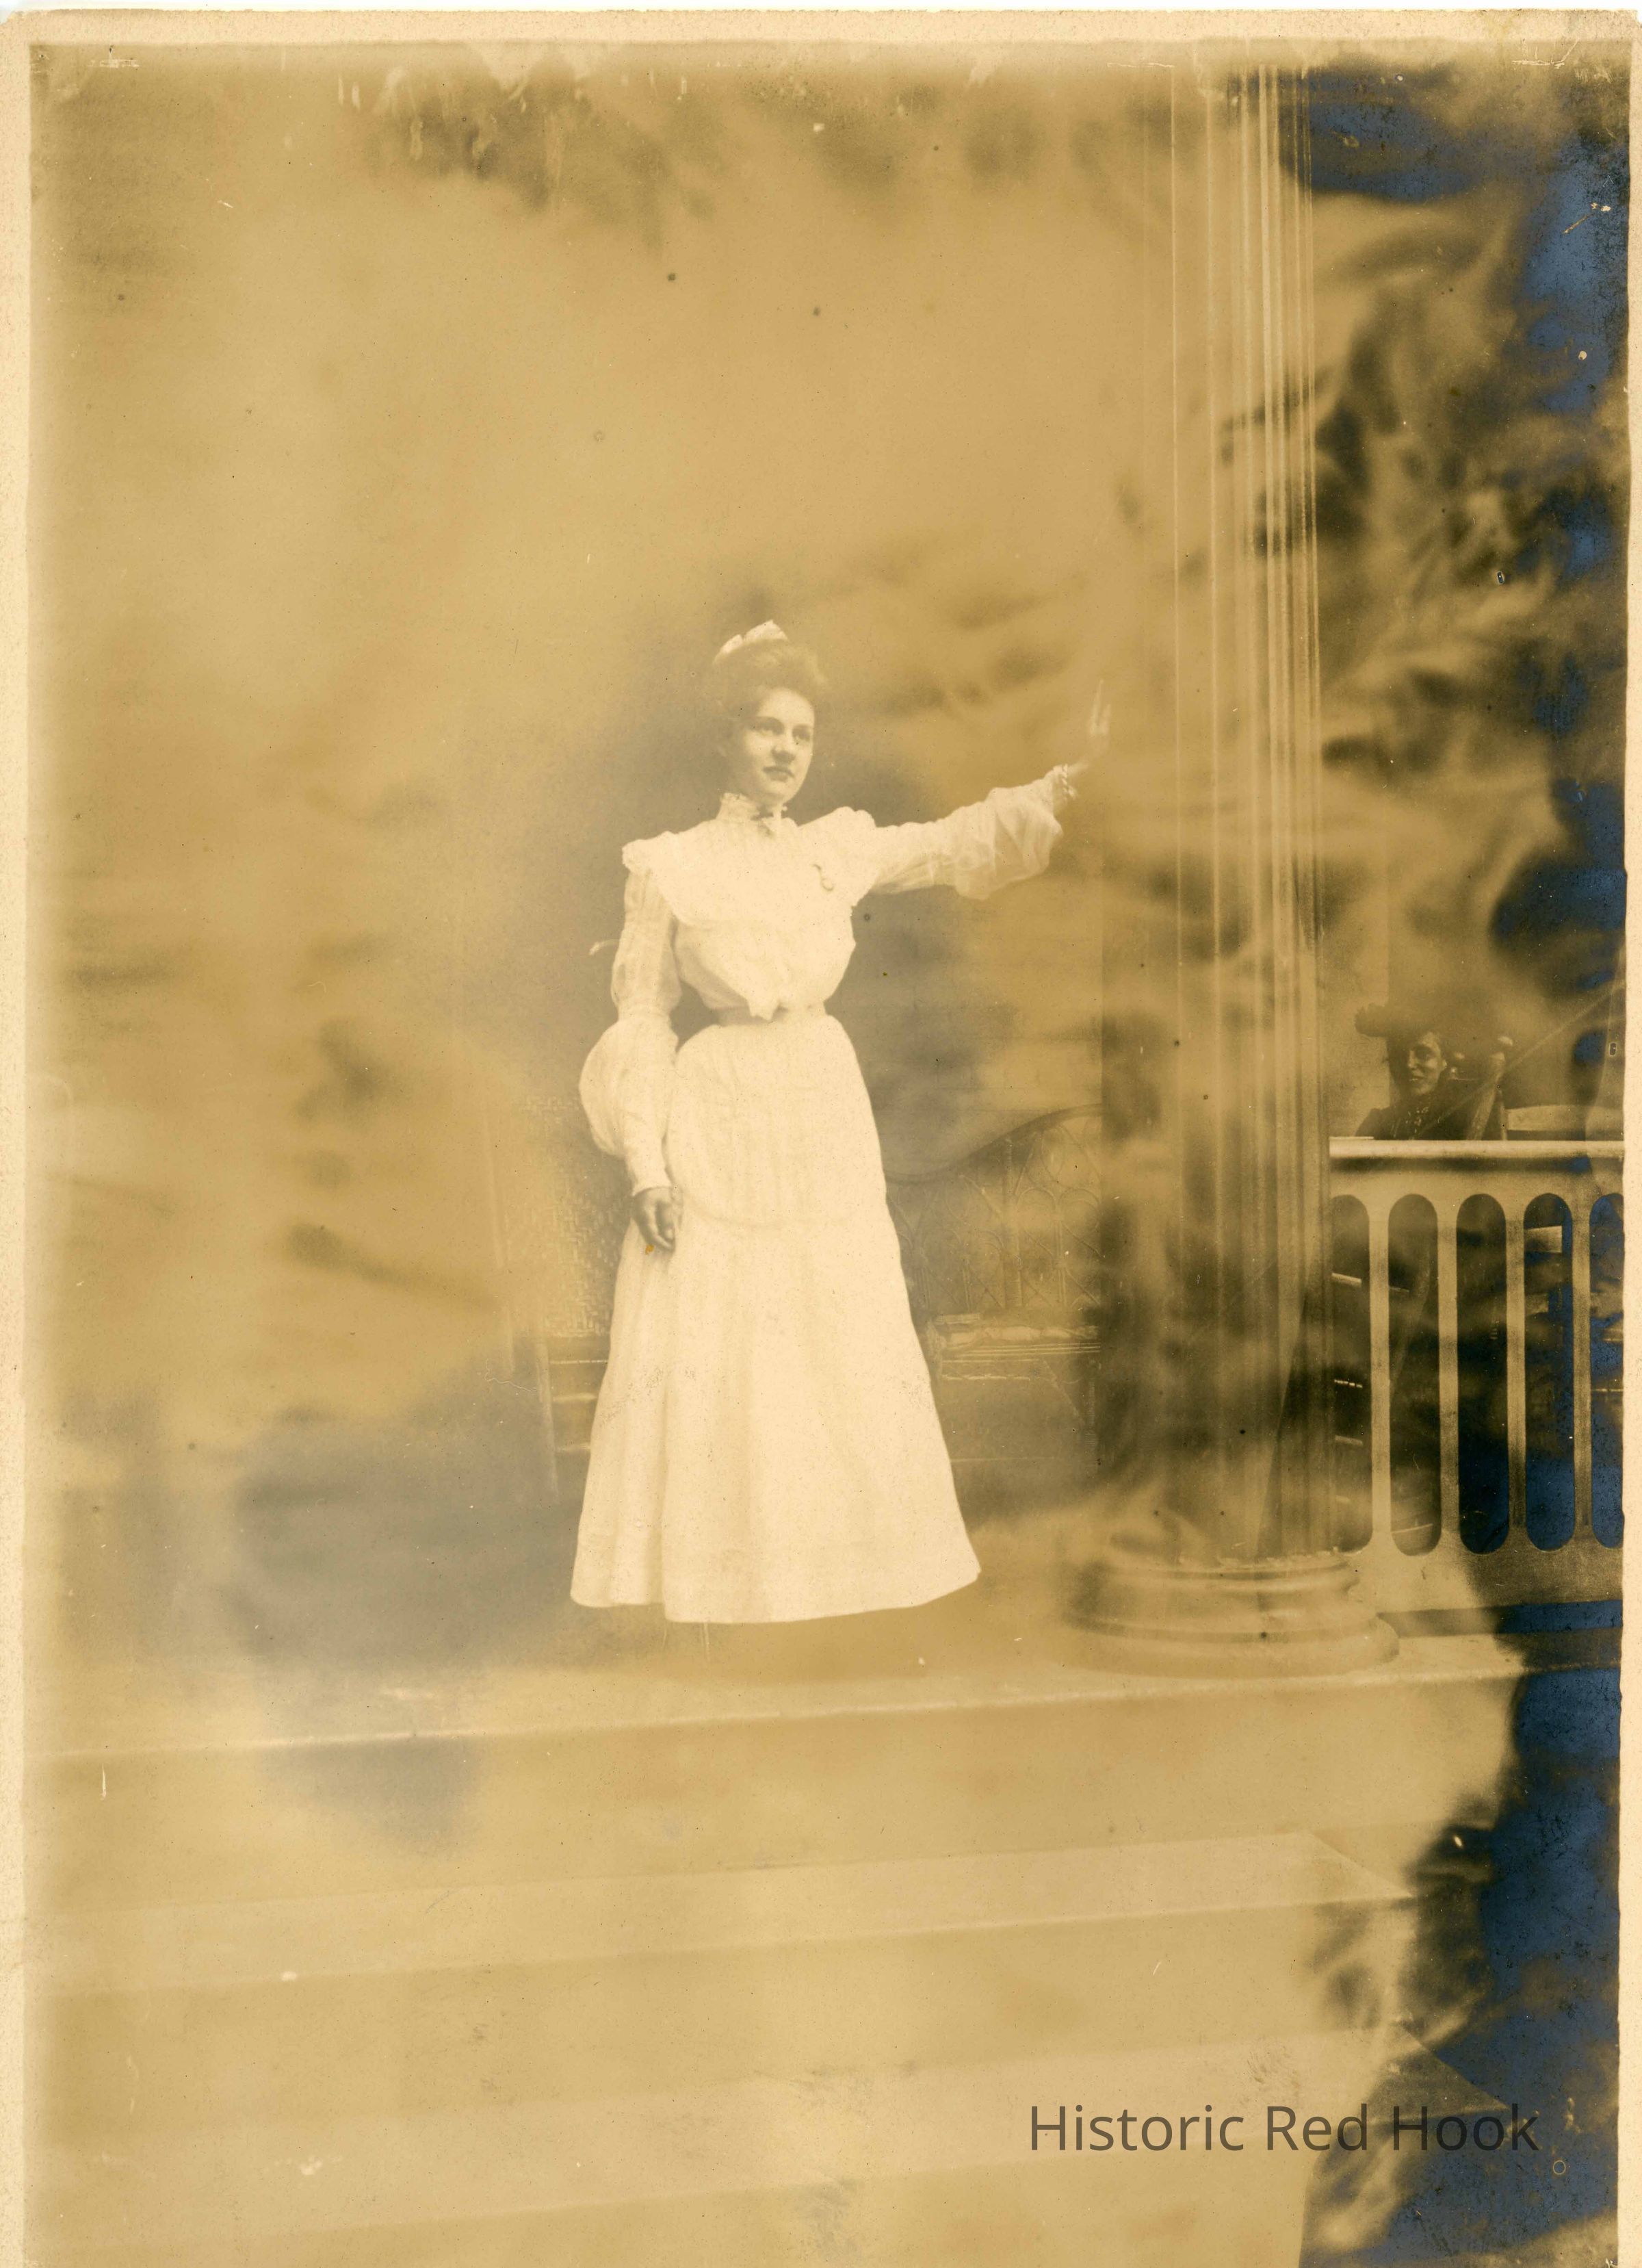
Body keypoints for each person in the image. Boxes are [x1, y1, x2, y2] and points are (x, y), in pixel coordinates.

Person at [571, 622, 1087, 1623]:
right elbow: (642, 1016)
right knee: (729, 1336)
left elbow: (952, 842)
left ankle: (832, 1587)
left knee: (831, 1325)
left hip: (818, 1099)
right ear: (725, 737)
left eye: (801, 734)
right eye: (766, 728)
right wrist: (647, 1167)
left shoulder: (833, 850)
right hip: (718, 1111)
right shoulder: (671, 866)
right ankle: (727, 1592)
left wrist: (1069, 783)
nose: (785, 750)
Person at [1354, 1007, 1509, 1142]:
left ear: (1444, 1061)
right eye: (1400, 1055)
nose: (1409, 1064)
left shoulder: (1465, 1118)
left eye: (1423, 1054)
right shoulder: (1378, 1123)